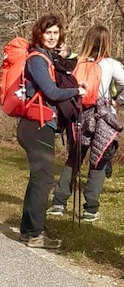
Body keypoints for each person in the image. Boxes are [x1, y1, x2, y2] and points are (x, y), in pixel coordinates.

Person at [17, 15, 85, 249]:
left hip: (39, 124)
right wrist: (78, 91)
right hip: (37, 124)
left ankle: (27, 231)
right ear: (39, 34)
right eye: (48, 33)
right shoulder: (37, 58)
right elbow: (53, 92)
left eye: (56, 33)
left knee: (38, 178)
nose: (53, 37)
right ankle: (36, 234)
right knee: (44, 179)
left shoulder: (45, 57)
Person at [48, 25, 124, 222]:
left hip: (80, 115)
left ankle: (59, 202)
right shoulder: (111, 64)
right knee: (99, 161)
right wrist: (117, 102)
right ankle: (90, 208)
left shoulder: (76, 62)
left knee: (74, 158)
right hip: (103, 117)